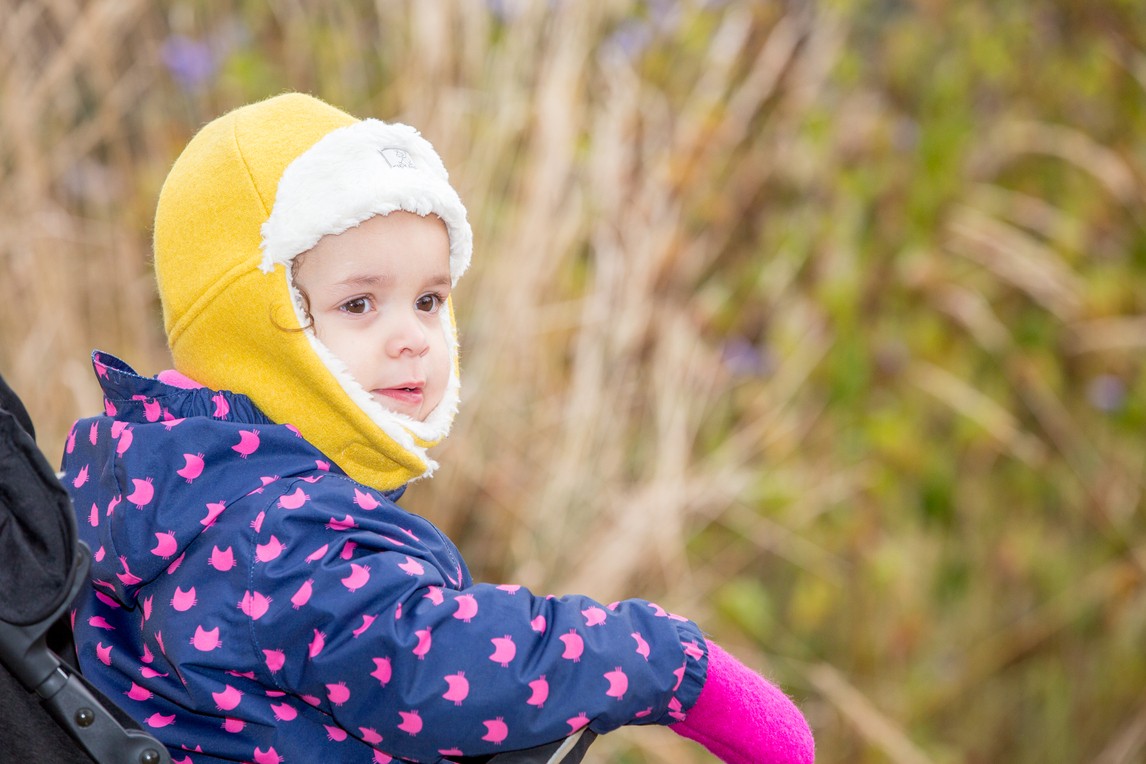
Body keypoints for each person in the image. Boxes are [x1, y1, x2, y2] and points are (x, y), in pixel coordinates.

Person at [61, 93, 814, 764]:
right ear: (255, 326)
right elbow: (429, 665)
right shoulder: (272, 531)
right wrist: (673, 666)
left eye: (428, 300)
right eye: (360, 304)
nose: (412, 337)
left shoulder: (185, 486)